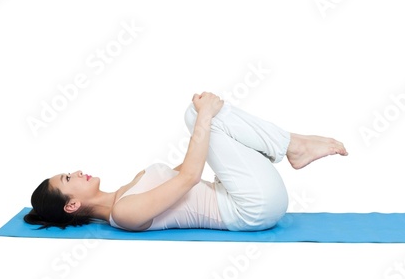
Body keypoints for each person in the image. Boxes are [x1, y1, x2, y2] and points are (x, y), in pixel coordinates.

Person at [24, 92, 348, 231]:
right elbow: (191, 176)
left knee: (198, 116)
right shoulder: (123, 213)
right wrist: (204, 114)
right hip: (252, 208)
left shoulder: (125, 190)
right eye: (68, 179)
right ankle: (293, 145)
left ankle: (291, 145)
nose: (77, 172)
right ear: (71, 205)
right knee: (196, 114)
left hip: (237, 193)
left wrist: (206, 119)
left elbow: (186, 168)